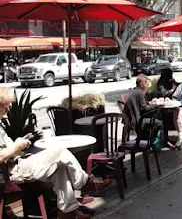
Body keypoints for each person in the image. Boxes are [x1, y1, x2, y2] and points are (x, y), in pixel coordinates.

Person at [0, 87, 111, 219]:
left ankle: (67, 213)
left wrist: (18, 146)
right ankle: (85, 183)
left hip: (19, 163)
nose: (8, 109)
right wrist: (16, 146)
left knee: (61, 167)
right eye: (5, 106)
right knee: (60, 152)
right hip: (12, 171)